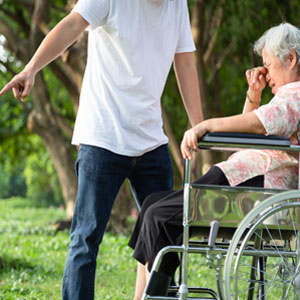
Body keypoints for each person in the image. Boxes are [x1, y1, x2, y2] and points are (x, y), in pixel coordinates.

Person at [0, 1, 203, 300]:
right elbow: (71, 25)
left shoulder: (176, 4)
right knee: (86, 239)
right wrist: (31, 69)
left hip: (151, 141)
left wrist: (198, 124)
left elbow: (184, 61)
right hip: (103, 138)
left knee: (166, 239)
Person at [129, 22, 300, 299]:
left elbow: (257, 126)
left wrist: (206, 126)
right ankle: (143, 296)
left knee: (160, 216)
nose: (265, 73)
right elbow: (254, 126)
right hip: (243, 176)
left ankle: (153, 296)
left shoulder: (295, 95)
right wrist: (254, 94)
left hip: (257, 183)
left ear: (290, 58)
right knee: (151, 205)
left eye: (268, 65)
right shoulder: (285, 98)